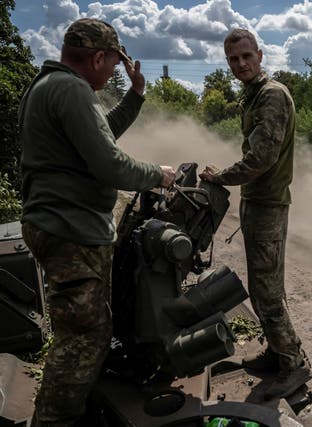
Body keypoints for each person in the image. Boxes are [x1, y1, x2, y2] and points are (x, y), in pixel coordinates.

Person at [19, 18, 176, 426]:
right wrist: (157, 174)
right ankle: (55, 420)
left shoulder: (51, 86)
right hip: (70, 230)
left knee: (87, 329)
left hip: (60, 225)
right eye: (112, 64)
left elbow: (99, 135)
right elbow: (108, 162)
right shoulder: (71, 89)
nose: (112, 73)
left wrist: (137, 96)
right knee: (82, 337)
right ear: (99, 57)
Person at [199, 28, 312, 399]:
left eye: (247, 56)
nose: (241, 64)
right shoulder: (253, 96)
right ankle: (278, 352)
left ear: (260, 55)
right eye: (233, 59)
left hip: (267, 204)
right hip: (257, 202)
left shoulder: (271, 95)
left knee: (266, 293)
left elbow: (262, 157)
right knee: (264, 287)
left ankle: (293, 366)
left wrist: (222, 176)